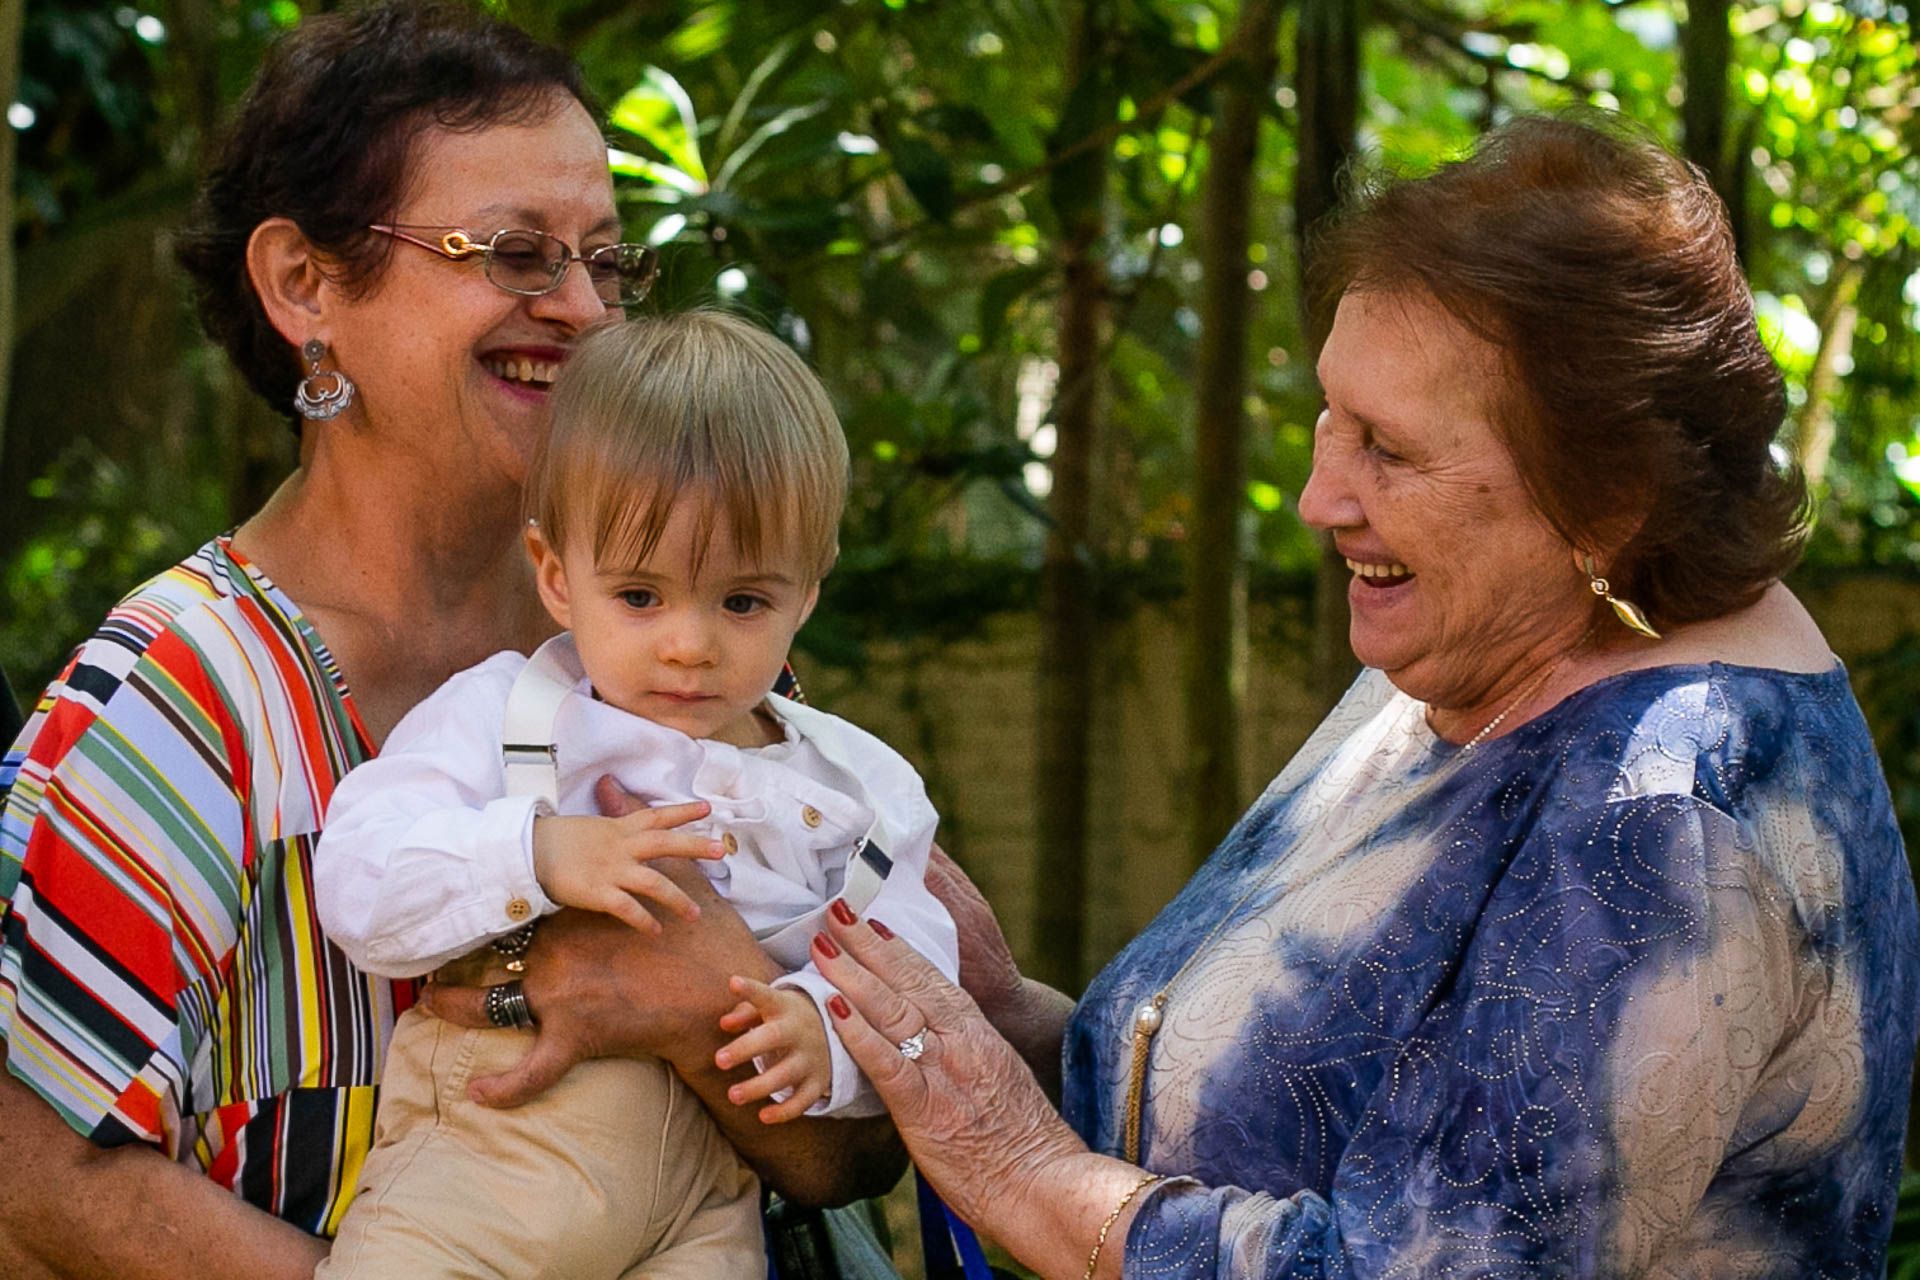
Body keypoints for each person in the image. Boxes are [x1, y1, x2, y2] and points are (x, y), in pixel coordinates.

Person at [786, 115, 1920, 1278]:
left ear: (1608, 495)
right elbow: (1269, 1114)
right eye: (1333, 413)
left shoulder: (1662, 815)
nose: (1319, 497)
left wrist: (1021, 1167)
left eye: (1387, 446)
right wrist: (1000, 1019)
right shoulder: (1472, 643)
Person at [0, 8, 901, 1277]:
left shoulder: (659, 642)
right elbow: (37, 1176)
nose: (581, 308)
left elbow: (858, 1152)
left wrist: (706, 1012)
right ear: (304, 284)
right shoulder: (178, 698)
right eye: (517, 254)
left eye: (605, 261)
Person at [312, 312, 958, 1278]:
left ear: (809, 593)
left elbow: (922, 987)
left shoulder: (854, 791)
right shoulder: (505, 717)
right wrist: (534, 854)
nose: (689, 645)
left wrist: (822, 1031)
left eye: (743, 601)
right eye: (641, 597)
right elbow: (358, 880)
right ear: (556, 575)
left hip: (709, 1202)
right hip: (491, 1170)